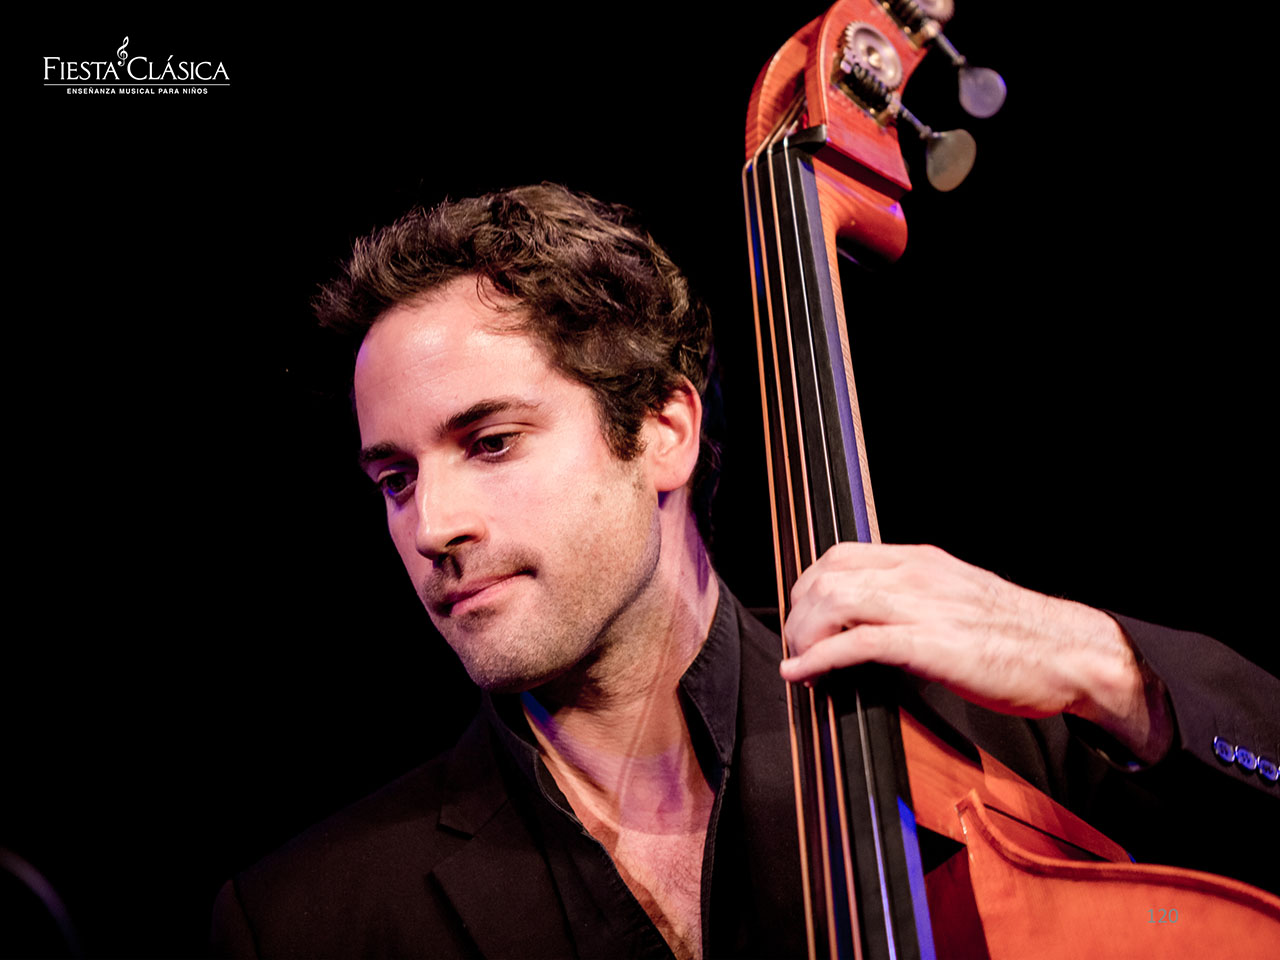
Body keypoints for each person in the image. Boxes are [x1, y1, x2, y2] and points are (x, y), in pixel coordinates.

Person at [212, 184, 1278, 958]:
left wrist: (1114, 671)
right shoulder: (306, 922)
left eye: (490, 443)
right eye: (395, 478)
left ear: (663, 430)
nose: (431, 524)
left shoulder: (991, 729)